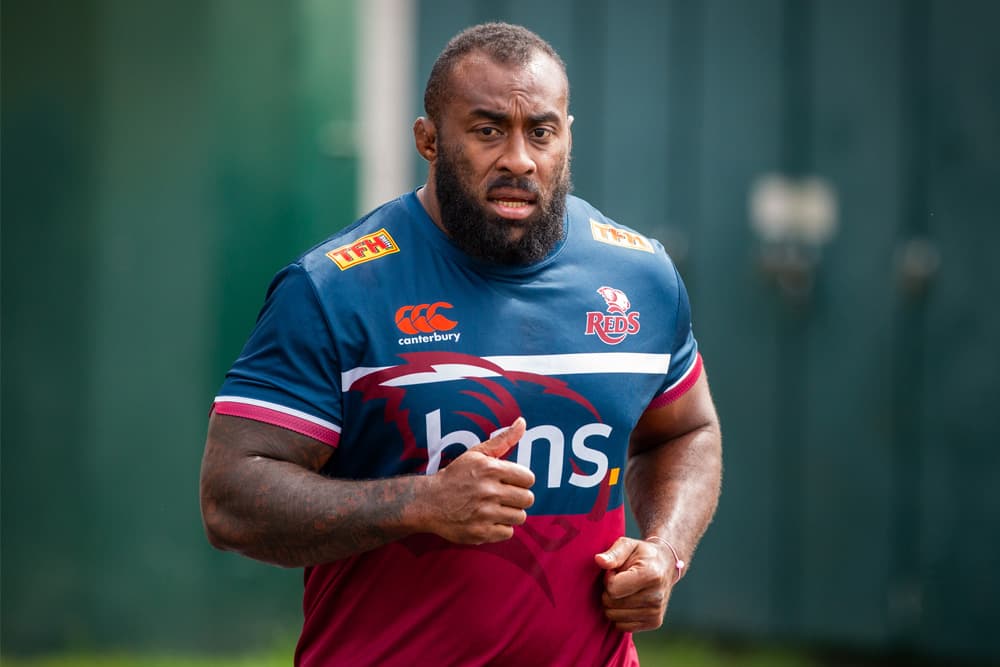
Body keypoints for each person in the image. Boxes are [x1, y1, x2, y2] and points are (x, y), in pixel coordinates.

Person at [200, 21, 722, 667]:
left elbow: (684, 431)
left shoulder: (638, 276)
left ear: (566, 135)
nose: (518, 160)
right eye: (486, 130)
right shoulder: (335, 289)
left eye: (540, 130)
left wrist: (664, 552)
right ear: (429, 140)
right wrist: (419, 502)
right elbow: (231, 498)